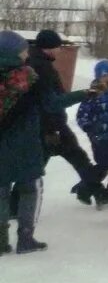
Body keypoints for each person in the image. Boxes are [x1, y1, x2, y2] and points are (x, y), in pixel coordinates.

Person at [0, 31, 94, 253]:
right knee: (31, 190)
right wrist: (85, 93)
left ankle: (1, 241)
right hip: (26, 145)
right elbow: (53, 104)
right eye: (23, 50)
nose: (26, 54)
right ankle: (25, 239)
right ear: (14, 54)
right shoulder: (28, 77)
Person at [28, 30, 108, 206]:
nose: (59, 50)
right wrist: (85, 93)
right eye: (58, 47)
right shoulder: (42, 68)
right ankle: (98, 192)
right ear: (49, 48)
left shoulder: (34, 62)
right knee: (74, 159)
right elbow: (53, 103)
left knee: (74, 158)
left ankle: (99, 192)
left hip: (45, 124)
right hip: (49, 125)